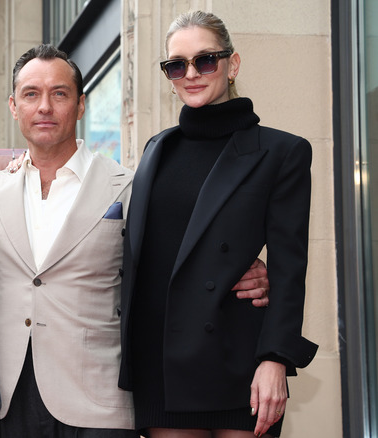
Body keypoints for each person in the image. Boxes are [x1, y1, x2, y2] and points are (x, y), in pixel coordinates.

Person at [0, 44, 270, 438]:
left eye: (60, 93)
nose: (45, 107)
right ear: (14, 106)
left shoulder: (131, 187)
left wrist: (246, 268)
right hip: (9, 402)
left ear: (82, 105)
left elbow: (186, 254)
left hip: (100, 406)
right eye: (31, 94)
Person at [118, 11, 318, 438]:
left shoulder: (282, 152)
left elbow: (289, 267)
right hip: (161, 359)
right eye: (177, 65)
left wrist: (275, 359)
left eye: (205, 60)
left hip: (239, 359)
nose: (191, 74)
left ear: (233, 64)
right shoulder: (157, 149)